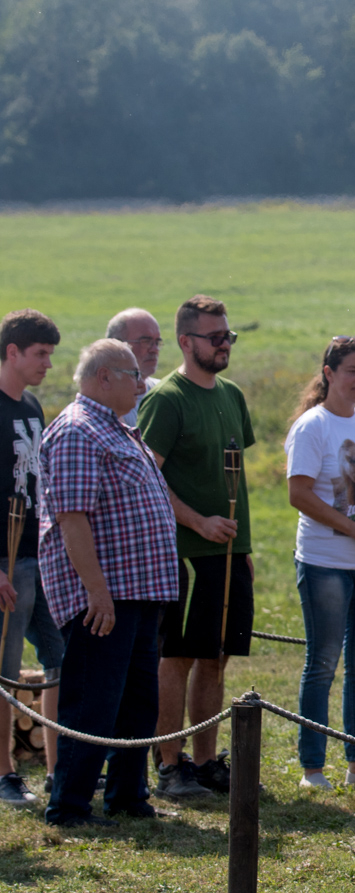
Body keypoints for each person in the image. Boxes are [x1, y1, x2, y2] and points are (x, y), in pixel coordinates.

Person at [40, 340, 177, 827]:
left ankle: (127, 794)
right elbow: (72, 518)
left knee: (137, 702)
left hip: (137, 593)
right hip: (106, 595)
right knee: (93, 701)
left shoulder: (116, 429)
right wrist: (96, 591)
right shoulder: (79, 431)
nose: (142, 385)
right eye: (132, 375)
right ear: (104, 378)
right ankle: (70, 806)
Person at [138, 294, 254, 801]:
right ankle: (170, 763)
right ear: (186, 342)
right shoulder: (166, 399)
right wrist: (196, 521)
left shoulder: (231, 394)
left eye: (228, 335)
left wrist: (242, 546)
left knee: (217, 657)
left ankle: (206, 762)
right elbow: (147, 475)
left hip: (230, 553)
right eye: (215, 337)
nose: (224, 343)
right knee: (179, 656)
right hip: (185, 550)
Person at [284, 337, 355, 789]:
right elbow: (298, 493)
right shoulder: (312, 427)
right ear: (329, 373)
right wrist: (352, 528)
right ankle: (312, 767)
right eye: (352, 371)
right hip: (326, 560)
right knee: (324, 660)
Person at [0, 310, 63, 807]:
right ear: (12, 352)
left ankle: (58, 767)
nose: (46, 363)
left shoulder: (34, 406)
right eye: (39, 354)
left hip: (38, 555)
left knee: (60, 658)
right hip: (5, 561)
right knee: (4, 669)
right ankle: (4, 773)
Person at [106, 308, 163, 429]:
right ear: (118, 344)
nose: (154, 349)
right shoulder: (105, 401)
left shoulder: (163, 392)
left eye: (157, 342)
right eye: (146, 341)